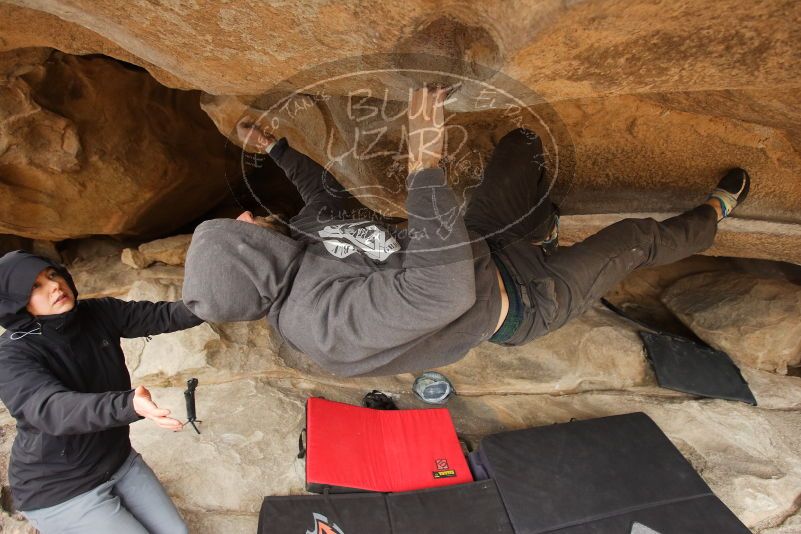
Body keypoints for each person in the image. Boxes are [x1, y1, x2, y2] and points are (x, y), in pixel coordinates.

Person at [182, 87, 749, 377]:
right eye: (240, 233)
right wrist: (424, 166)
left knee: (519, 148)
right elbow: (439, 291)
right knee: (632, 239)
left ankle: (541, 223)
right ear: (249, 263)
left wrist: (276, 148)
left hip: (480, 244)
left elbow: (323, 199)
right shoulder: (328, 328)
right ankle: (711, 220)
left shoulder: (296, 247)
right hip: (525, 300)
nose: (247, 219)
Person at [0, 250, 204, 533]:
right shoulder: (12, 355)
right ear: (16, 303)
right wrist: (128, 405)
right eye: (35, 287)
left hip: (118, 461)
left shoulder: (96, 313)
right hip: (60, 489)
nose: (55, 286)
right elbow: (50, 409)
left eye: (52, 275)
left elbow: (168, 315)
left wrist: (226, 271)